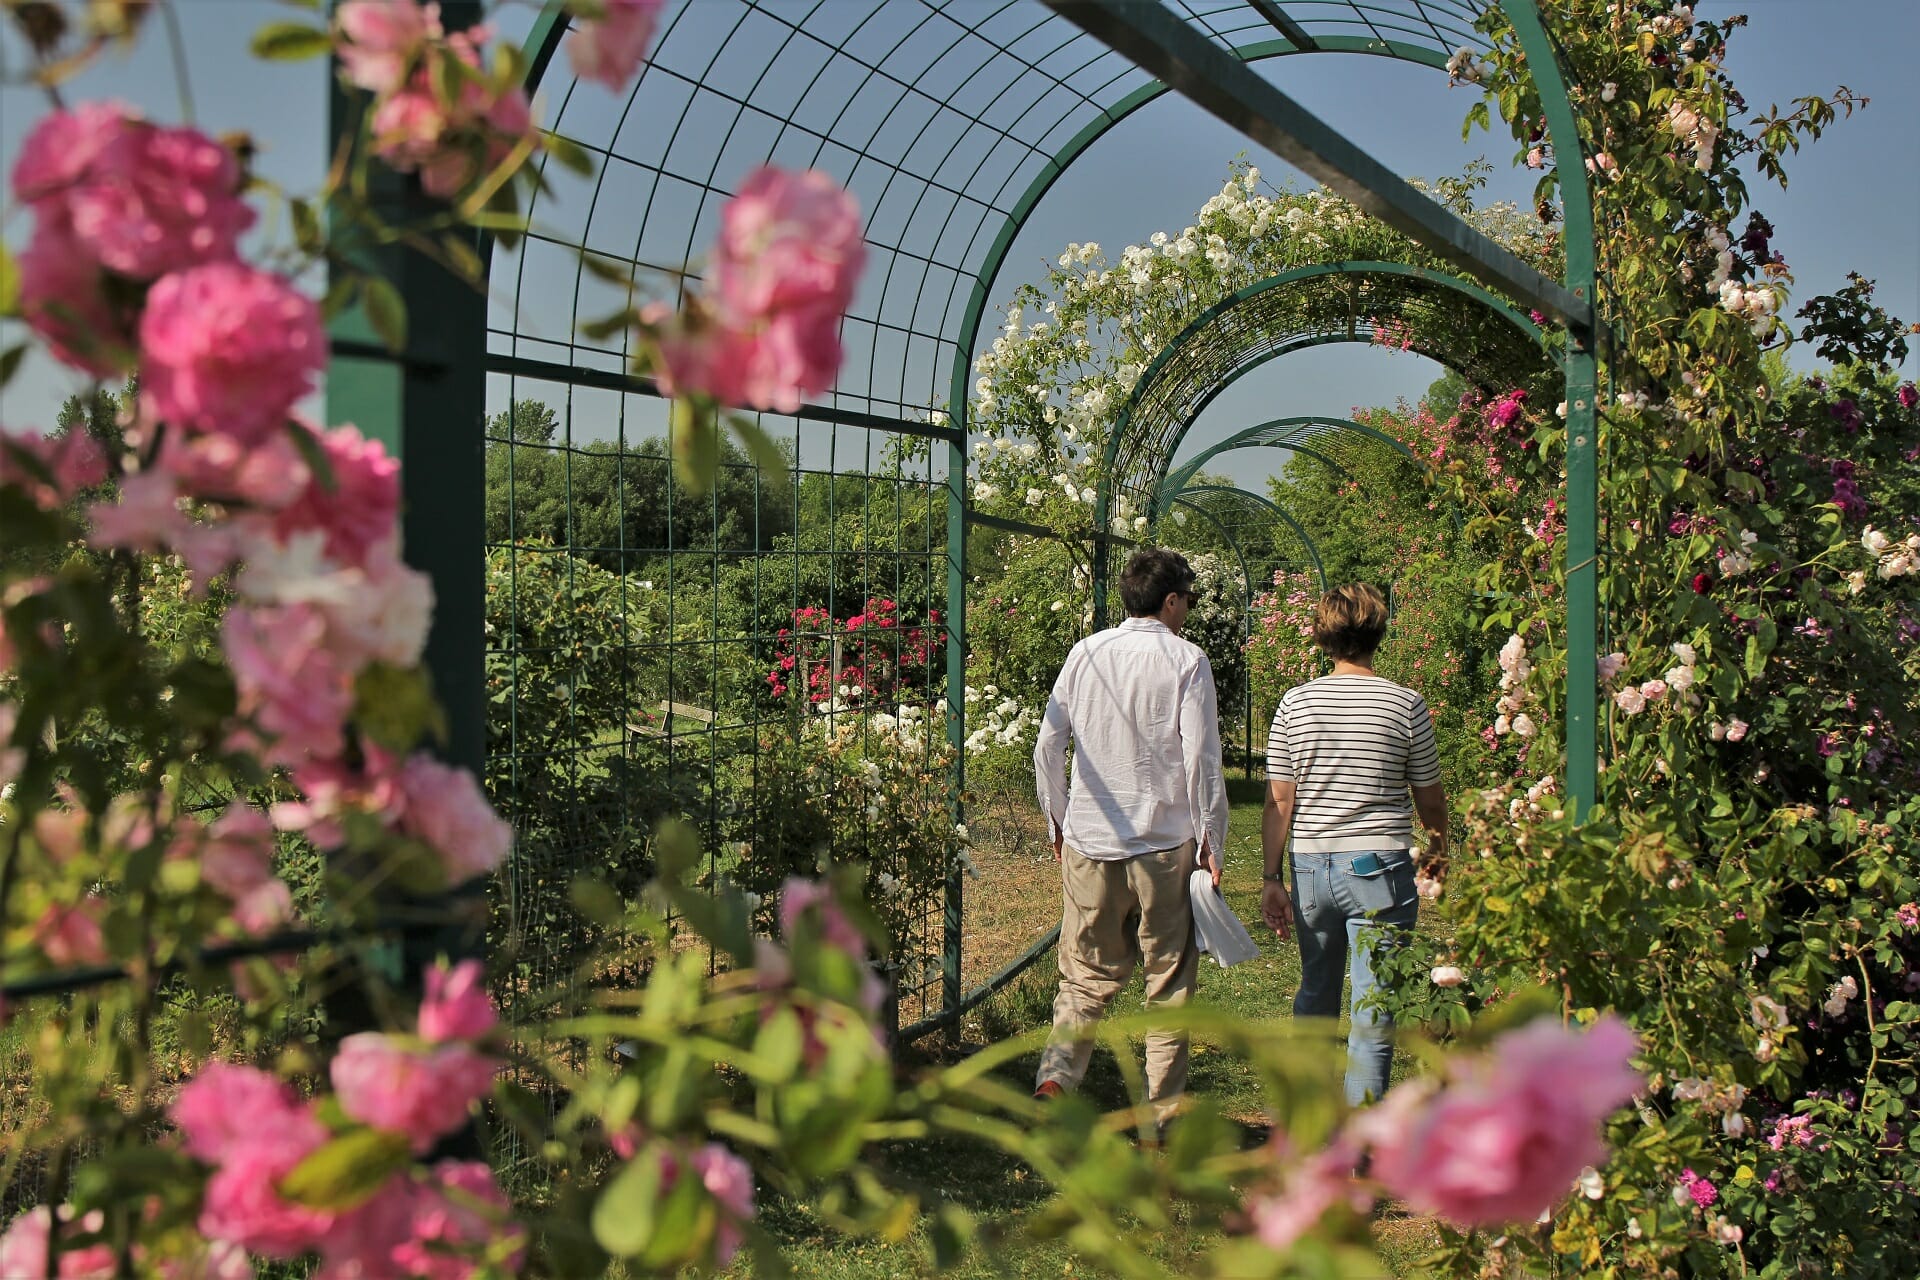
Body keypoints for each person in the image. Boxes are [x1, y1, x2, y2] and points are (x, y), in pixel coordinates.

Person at [1031, 547, 1232, 1130]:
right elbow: (1200, 759)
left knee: (1084, 975)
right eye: (1187, 599)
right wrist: (1212, 840)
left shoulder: (1085, 655)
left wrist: (1059, 822)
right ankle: (1161, 1119)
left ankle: (1055, 1078)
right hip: (1165, 845)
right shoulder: (1188, 662)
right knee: (1166, 983)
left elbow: (1048, 745)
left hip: (1090, 839)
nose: (1189, 610)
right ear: (1170, 600)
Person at [1258, 583, 1446, 1107]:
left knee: (1315, 991)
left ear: (1323, 636)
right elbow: (1429, 796)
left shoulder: (1295, 703)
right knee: (1375, 1005)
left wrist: (1272, 878)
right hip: (1380, 867)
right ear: (1378, 633)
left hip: (1313, 866)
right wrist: (1437, 850)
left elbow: (1279, 801)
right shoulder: (1406, 704)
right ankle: (1361, 1137)